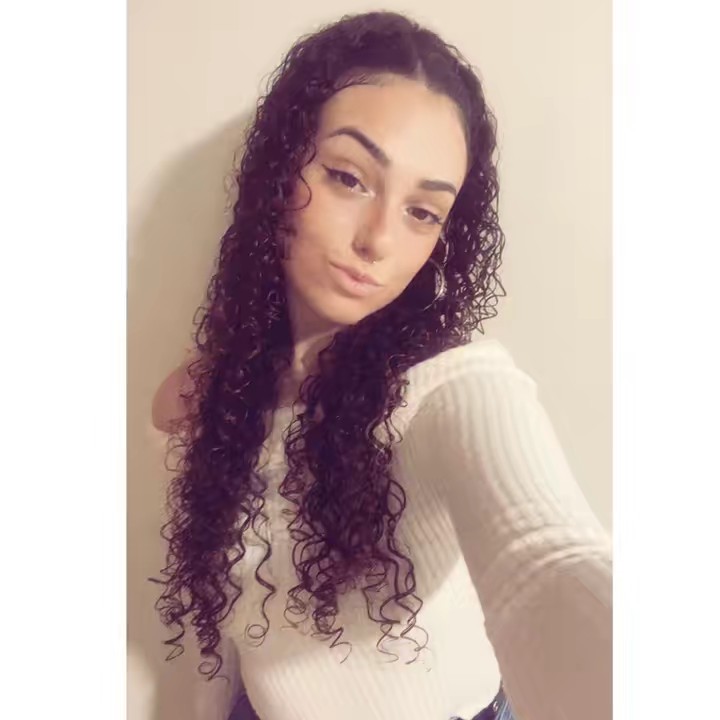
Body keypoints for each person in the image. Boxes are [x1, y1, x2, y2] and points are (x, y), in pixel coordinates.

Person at [150, 11, 612, 720]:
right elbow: (234, 623)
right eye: (348, 178)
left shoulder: (450, 389)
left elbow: (548, 558)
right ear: (280, 169)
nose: (378, 240)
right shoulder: (210, 394)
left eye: (423, 213)